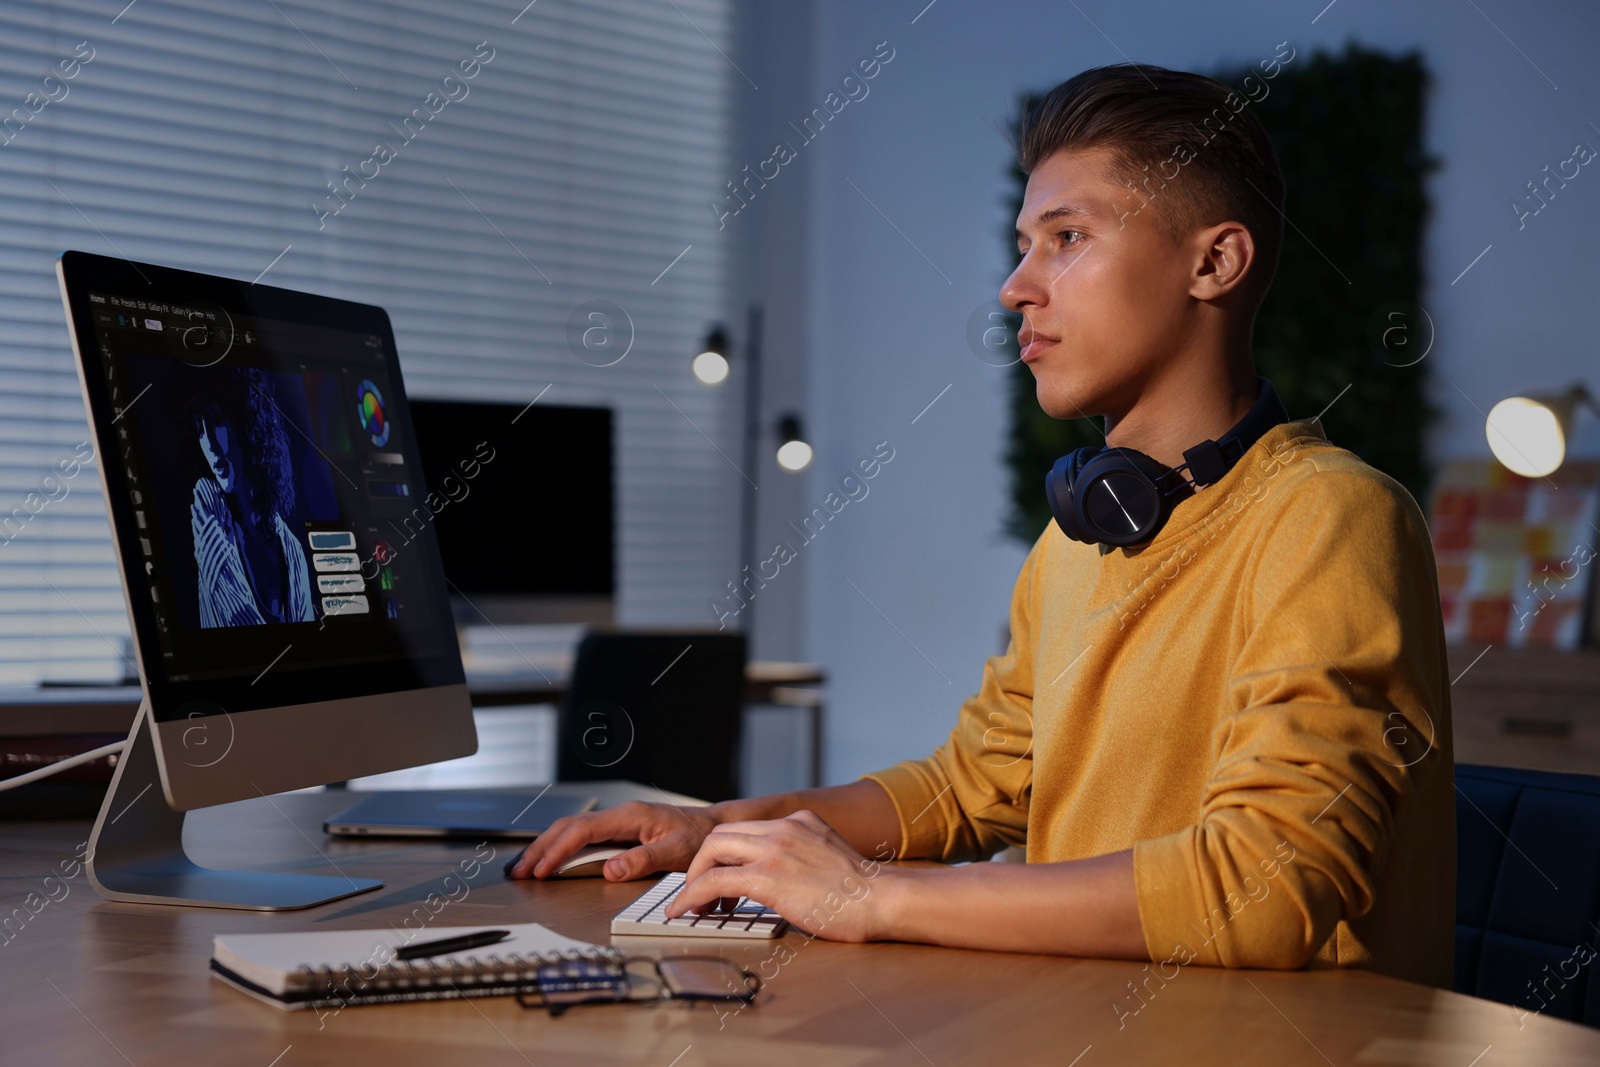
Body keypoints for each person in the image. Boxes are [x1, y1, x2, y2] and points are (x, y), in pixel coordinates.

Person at [510, 64, 1454, 987]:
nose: (1015, 287)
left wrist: (870, 896)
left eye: (1067, 237)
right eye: (1024, 243)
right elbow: (971, 786)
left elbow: (1266, 884)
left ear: (1214, 261)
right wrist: (721, 830)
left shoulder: (1332, 517)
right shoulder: (1079, 539)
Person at [186, 368, 315, 628]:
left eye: (216, 420)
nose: (209, 445)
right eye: (200, 430)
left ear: (246, 421)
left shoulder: (291, 548)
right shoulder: (208, 509)